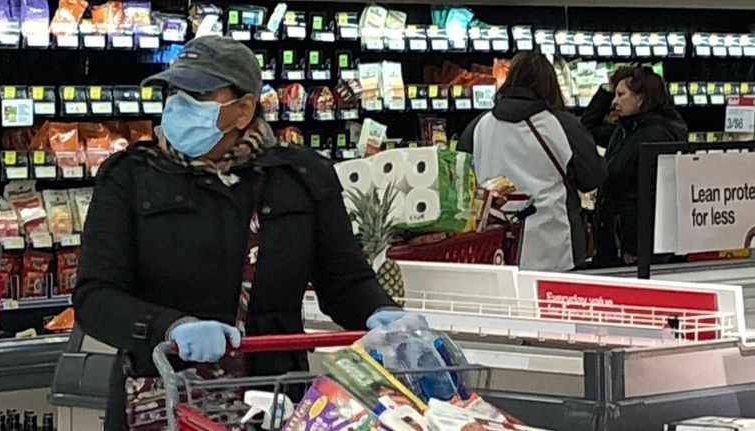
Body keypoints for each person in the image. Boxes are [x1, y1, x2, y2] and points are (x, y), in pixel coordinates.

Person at [73, 36, 411, 430]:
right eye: (174, 92)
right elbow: (95, 297)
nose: (179, 104)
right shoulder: (130, 177)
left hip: (275, 399)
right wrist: (170, 327)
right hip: (160, 401)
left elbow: (344, 280)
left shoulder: (301, 178)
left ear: (244, 109)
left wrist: (382, 313)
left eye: (197, 94)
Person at [458, 52, 607, 272]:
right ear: (549, 84)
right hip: (555, 243)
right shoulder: (562, 125)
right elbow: (591, 178)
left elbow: (461, 181)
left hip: (494, 244)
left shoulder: (479, 126)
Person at [582, 66, 687, 267]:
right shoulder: (627, 129)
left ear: (642, 99)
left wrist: (635, 246)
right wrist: (606, 89)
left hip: (635, 248)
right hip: (617, 240)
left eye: (621, 95)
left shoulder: (657, 135)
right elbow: (588, 127)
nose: (614, 102)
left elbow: (653, 196)